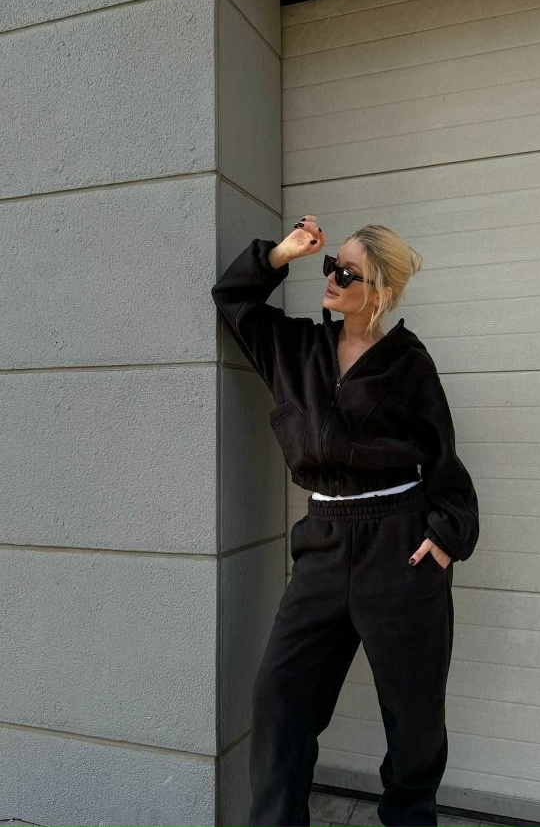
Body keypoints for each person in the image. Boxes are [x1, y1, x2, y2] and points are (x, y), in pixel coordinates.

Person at [211, 214, 480, 827]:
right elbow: (233, 299)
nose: (330, 277)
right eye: (333, 266)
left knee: (414, 720)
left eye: (347, 272)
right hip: (324, 543)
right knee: (280, 699)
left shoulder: (408, 364)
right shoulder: (299, 348)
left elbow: (444, 460)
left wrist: (445, 537)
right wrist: (282, 254)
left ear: (380, 291)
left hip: (398, 543)